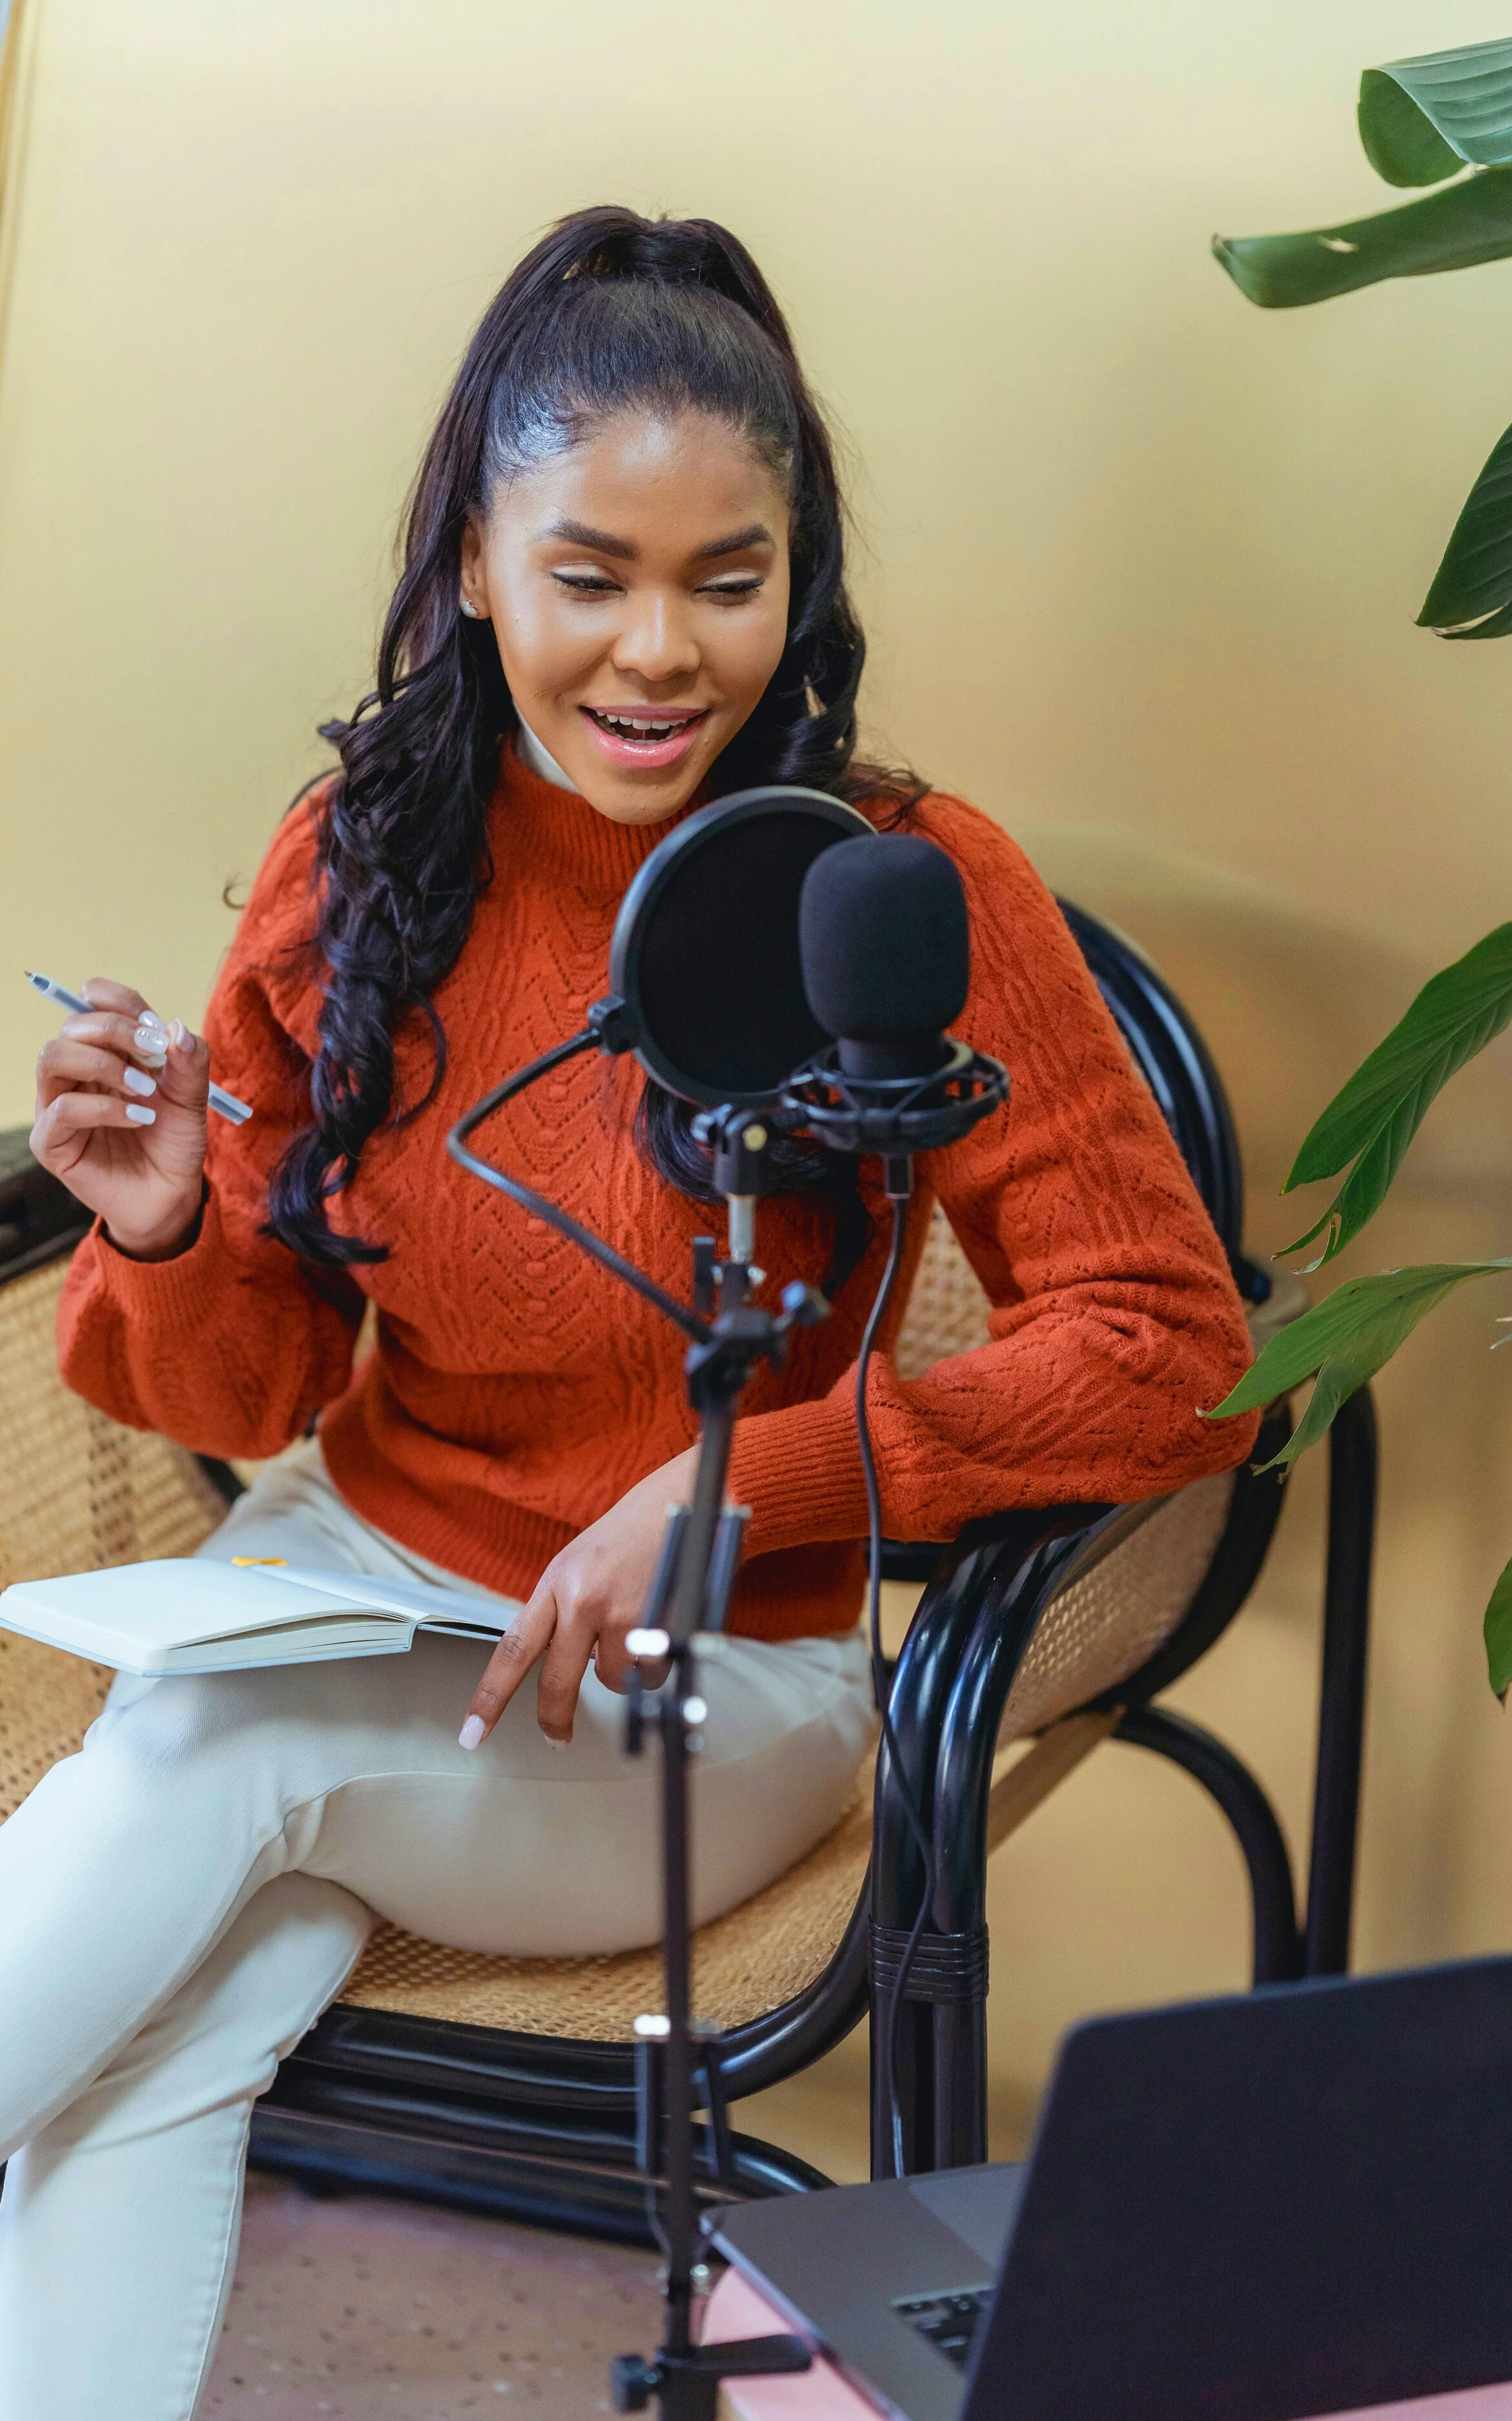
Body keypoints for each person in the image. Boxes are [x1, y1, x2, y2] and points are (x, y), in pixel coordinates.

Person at [2, 205, 1257, 2418]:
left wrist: (745, 1473)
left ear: (803, 577)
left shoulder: (895, 886)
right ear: (475, 570)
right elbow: (251, 1386)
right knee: (154, 2037)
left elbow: (1170, 1343)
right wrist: (179, 1225)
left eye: (728, 577)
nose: (660, 653)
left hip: (713, 1686)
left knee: (205, 1761)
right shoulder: (359, 864)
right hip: (332, 1593)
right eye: (589, 576)